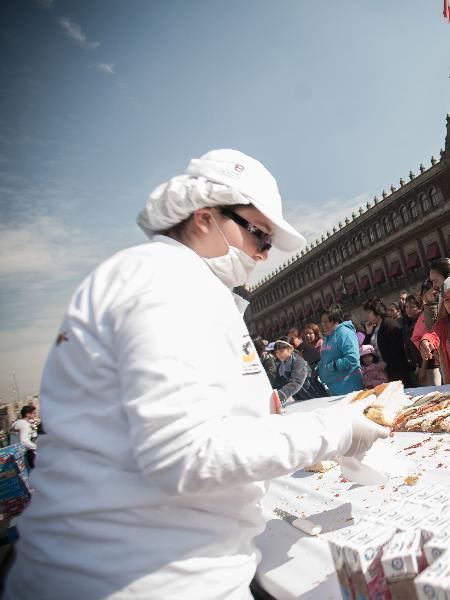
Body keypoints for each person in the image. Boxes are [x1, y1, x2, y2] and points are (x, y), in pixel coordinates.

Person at [3, 149, 388, 599]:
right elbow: (184, 453)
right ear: (204, 218)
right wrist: (334, 431)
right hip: (145, 576)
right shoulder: (165, 281)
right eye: (259, 234)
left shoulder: (177, 282)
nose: (263, 254)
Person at [362, 297, 409, 384]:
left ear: (377, 311)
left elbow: (397, 345)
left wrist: (385, 361)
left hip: (396, 369)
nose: (367, 315)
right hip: (381, 373)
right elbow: (365, 350)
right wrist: (368, 334)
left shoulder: (388, 323)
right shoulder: (373, 327)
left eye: (369, 312)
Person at [319, 305, 365, 395]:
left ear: (336, 321)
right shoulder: (329, 336)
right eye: (322, 322)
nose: (323, 324)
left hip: (348, 385)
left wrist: (333, 365)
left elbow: (352, 359)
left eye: (326, 322)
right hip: (336, 386)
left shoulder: (345, 333)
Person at [411, 280, 442, 386]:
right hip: (433, 359)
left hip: (435, 361)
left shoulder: (439, 309)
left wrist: (423, 368)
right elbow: (420, 339)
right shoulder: (424, 314)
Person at [272, 340, 310, 406]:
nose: (279, 355)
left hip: (310, 392)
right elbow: (278, 383)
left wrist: (283, 394)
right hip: (298, 397)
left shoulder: (298, 362)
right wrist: (272, 393)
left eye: (281, 351)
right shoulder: (280, 366)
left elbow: (297, 381)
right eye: (276, 352)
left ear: (291, 349)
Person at [401, 294, 424, 382]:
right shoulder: (407, 323)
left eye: (412, 307)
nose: (408, 310)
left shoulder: (424, 321)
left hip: (429, 367)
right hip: (416, 366)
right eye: (407, 307)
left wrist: (423, 368)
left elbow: (428, 348)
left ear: (420, 308)